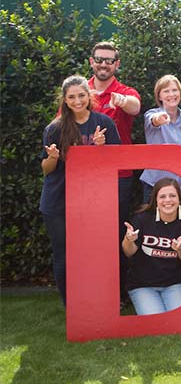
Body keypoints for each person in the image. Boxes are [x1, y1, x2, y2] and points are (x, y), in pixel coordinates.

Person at [40, 75, 121, 305]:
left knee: (93, 254)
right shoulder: (54, 129)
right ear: (64, 100)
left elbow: (113, 164)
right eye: (72, 97)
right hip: (58, 201)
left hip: (92, 201)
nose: (77, 101)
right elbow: (46, 170)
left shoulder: (104, 123)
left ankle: (95, 300)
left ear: (89, 96)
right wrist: (53, 157)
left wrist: (101, 149)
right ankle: (71, 305)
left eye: (81, 96)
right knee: (64, 257)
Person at [87, 41, 141, 305]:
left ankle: (118, 293)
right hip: (85, 177)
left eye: (109, 60)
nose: (104, 64)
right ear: (91, 62)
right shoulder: (79, 91)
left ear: (117, 64)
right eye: (100, 59)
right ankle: (92, 291)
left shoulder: (124, 91)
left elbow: (135, 107)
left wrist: (122, 101)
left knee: (117, 233)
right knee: (90, 235)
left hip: (119, 176)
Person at [121, 178, 181, 315]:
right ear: (155, 200)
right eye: (162, 196)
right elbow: (129, 252)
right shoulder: (142, 219)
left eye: (172, 196)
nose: (168, 200)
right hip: (142, 285)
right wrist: (129, 239)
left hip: (173, 284)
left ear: (180, 199)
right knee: (155, 319)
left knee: (180, 320)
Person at [140, 75, 181, 202]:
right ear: (159, 96)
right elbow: (154, 120)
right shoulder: (151, 114)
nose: (171, 94)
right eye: (166, 91)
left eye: (174, 90)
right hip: (155, 185)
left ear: (180, 93)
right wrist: (160, 118)